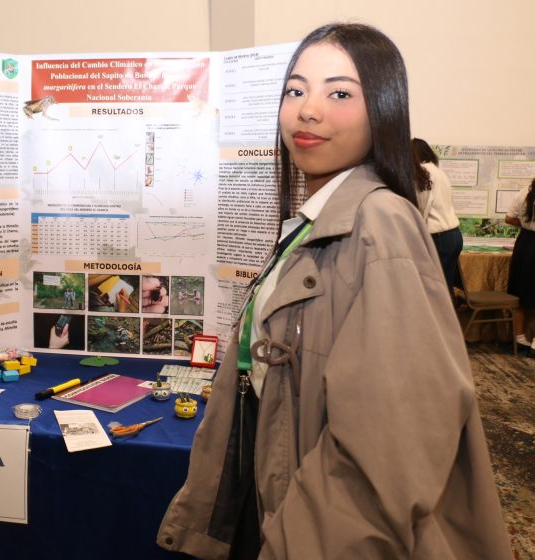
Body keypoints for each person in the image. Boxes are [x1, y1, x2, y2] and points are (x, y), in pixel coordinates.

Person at [158, 23, 512, 559]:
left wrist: (295, 542)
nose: (308, 110)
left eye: (339, 93)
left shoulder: (380, 223)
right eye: (295, 90)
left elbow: (391, 444)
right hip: (282, 494)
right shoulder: (316, 220)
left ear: (383, 111)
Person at [412, 137, 463, 293]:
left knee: (435, 288)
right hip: (453, 235)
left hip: (438, 237)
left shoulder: (422, 173)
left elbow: (422, 207)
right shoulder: (439, 172)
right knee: (445, 286)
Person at [505, 177, 535, 354]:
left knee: (519, 292)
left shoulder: (524, 192)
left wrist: (526, 224)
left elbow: (509, 218)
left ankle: (520, 339)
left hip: (524, 244)